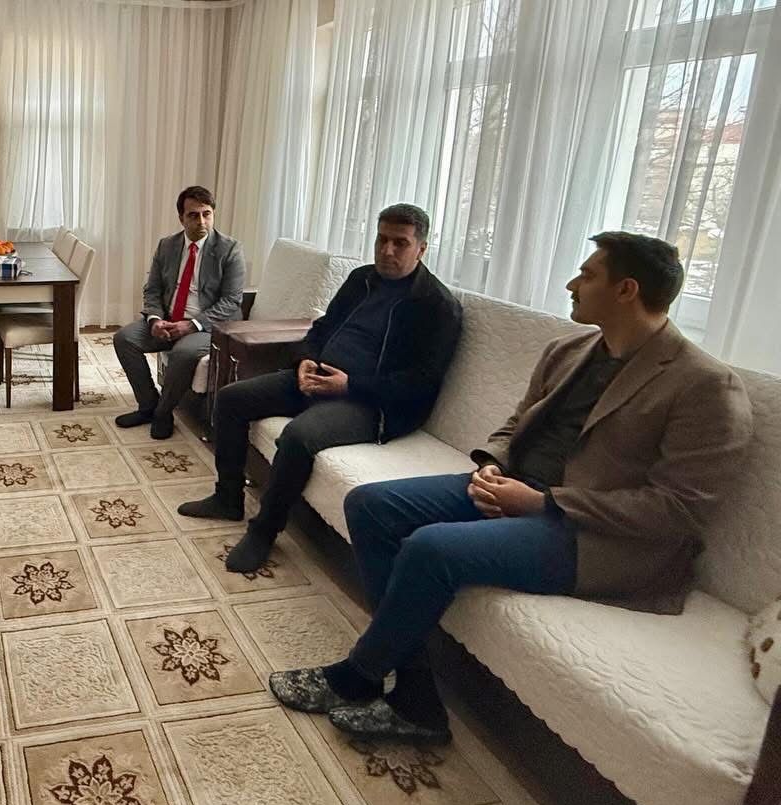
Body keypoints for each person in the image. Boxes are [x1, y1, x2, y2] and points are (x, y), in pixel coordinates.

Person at [268, 232, 753, 745]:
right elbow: (516, 423)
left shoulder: (704, 386)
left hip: (596, 536)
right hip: (519, 490)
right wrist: (491, 464)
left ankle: (357, 676)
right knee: (370, 503)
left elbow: (678, 510)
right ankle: (416, 695)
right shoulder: (569, 350)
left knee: (430, 548)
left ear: (626, 290)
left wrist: (544, 503)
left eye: (588, 275)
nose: (572, 284)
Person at [180, 204, 463, 573]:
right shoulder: (361, 279)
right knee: (232, 398)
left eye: (400, 243)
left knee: (298, 437)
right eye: (381, 240)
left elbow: (421, 383)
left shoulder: (437, 306)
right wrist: (305, 360)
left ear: (421, 249)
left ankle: (264, 531)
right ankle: (227, 498)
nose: (387, 250)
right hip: (317, 377)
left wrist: (350, 384)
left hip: (371, 403)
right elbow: (321, 329)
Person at [112, 185, 247, 440]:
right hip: (168, 319)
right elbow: (152, 289)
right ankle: (147, 406)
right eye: (193, 215)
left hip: (209, 326)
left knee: (183, 353)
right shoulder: (167, 245)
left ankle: (163, 413)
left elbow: (231, 301)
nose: (201, 221)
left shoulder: (230, 249)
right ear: (181, 218)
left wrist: (192, 324)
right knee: (124, 339)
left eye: (207, 214)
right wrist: (155, 319)